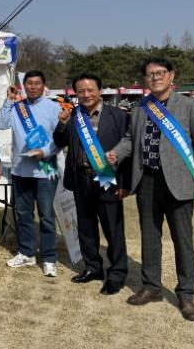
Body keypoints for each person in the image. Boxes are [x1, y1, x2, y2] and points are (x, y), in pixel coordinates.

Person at [106, 57, 194, 322]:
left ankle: (186, 293)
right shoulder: (141, 108)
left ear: (171, 75)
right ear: (145, 79)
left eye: (160, 72)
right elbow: (130, 140)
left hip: (179, 182)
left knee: (182, 239)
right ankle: (151, 287)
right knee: (150, 236)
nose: (155, 77)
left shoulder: (189, 106)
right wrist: (116, 153)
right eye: (150, 74)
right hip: (147, 180)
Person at [53, 73, 131, 295]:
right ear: (76, 93)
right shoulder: (73, 115)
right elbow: (59, 142)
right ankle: (93, 267)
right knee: (86, 227)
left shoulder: (118, 115)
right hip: (81, 179)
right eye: (81, 91)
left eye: (90, 90)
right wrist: (61, 124)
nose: (86, 94)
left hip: (107, 178)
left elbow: (128, 150)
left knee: (113, 230)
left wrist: (124, 183)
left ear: (100, 91)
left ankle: (117, 274)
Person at [0, 70, 61, 277]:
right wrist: (8, 100)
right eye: (29, 83)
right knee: (23, 214)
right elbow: (1, 124)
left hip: (45, 169)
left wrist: (45, 152)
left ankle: (49, 258)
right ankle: (26, 252)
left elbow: (61, 138)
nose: (33, 87)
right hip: (20, 169)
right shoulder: (17, 107)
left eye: (37, 83)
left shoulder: (54, 107)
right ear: (24, 86)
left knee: (46, 216)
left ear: (43, 85)